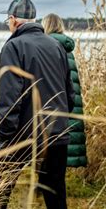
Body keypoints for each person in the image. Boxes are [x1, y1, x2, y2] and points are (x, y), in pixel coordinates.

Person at [0, 0, 75, 209]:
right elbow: (69, 94)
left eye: (8, 21)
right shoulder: (57, 46)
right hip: (57, 133)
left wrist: (6, 137)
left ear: (13, 19)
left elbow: (10, 96)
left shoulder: (13, 47)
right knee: (55, 194)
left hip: (24, 134)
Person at [42, 13, 88, 168]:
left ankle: (49, 179)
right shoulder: (68, 50)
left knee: (53, 146)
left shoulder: (47, 48)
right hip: (70, 102)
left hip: (55, 105)